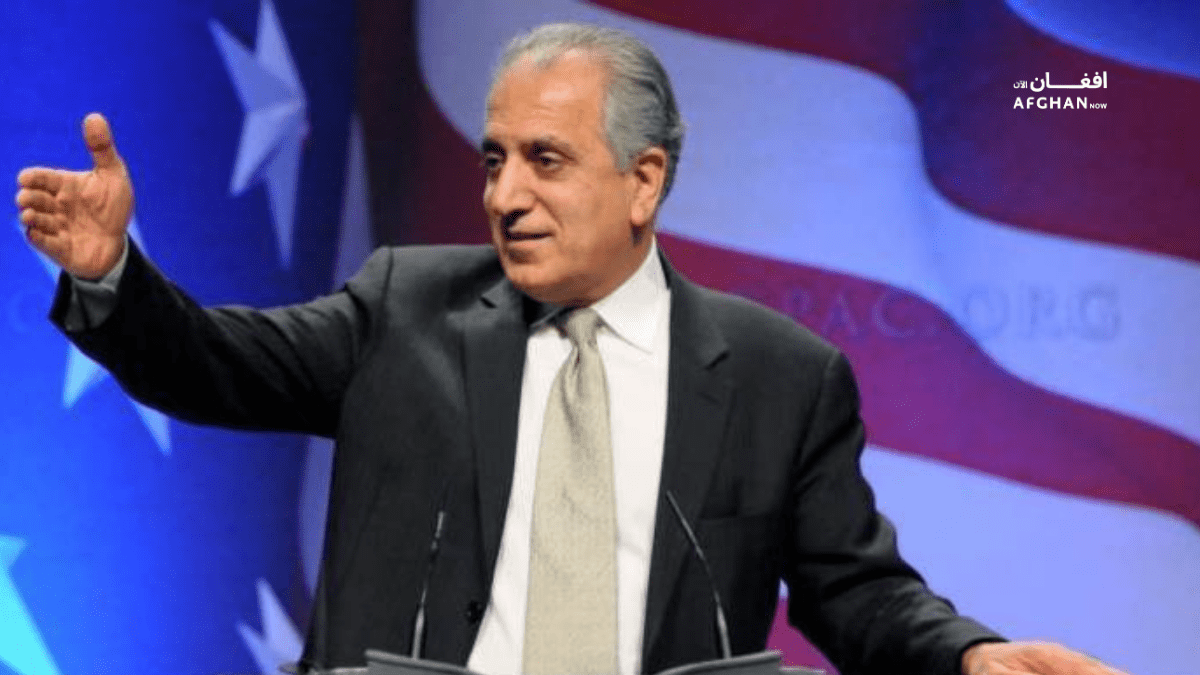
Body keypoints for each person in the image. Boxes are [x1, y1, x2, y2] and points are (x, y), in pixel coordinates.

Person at [16, 22, 1125, 675]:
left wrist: (969, 655)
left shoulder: (780, 377)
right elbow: (209, 363)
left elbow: (855, 590)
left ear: (644, 182)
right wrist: (114, 275)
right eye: (494, 159)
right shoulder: (406, 308)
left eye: (545, 160)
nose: (504, 194)